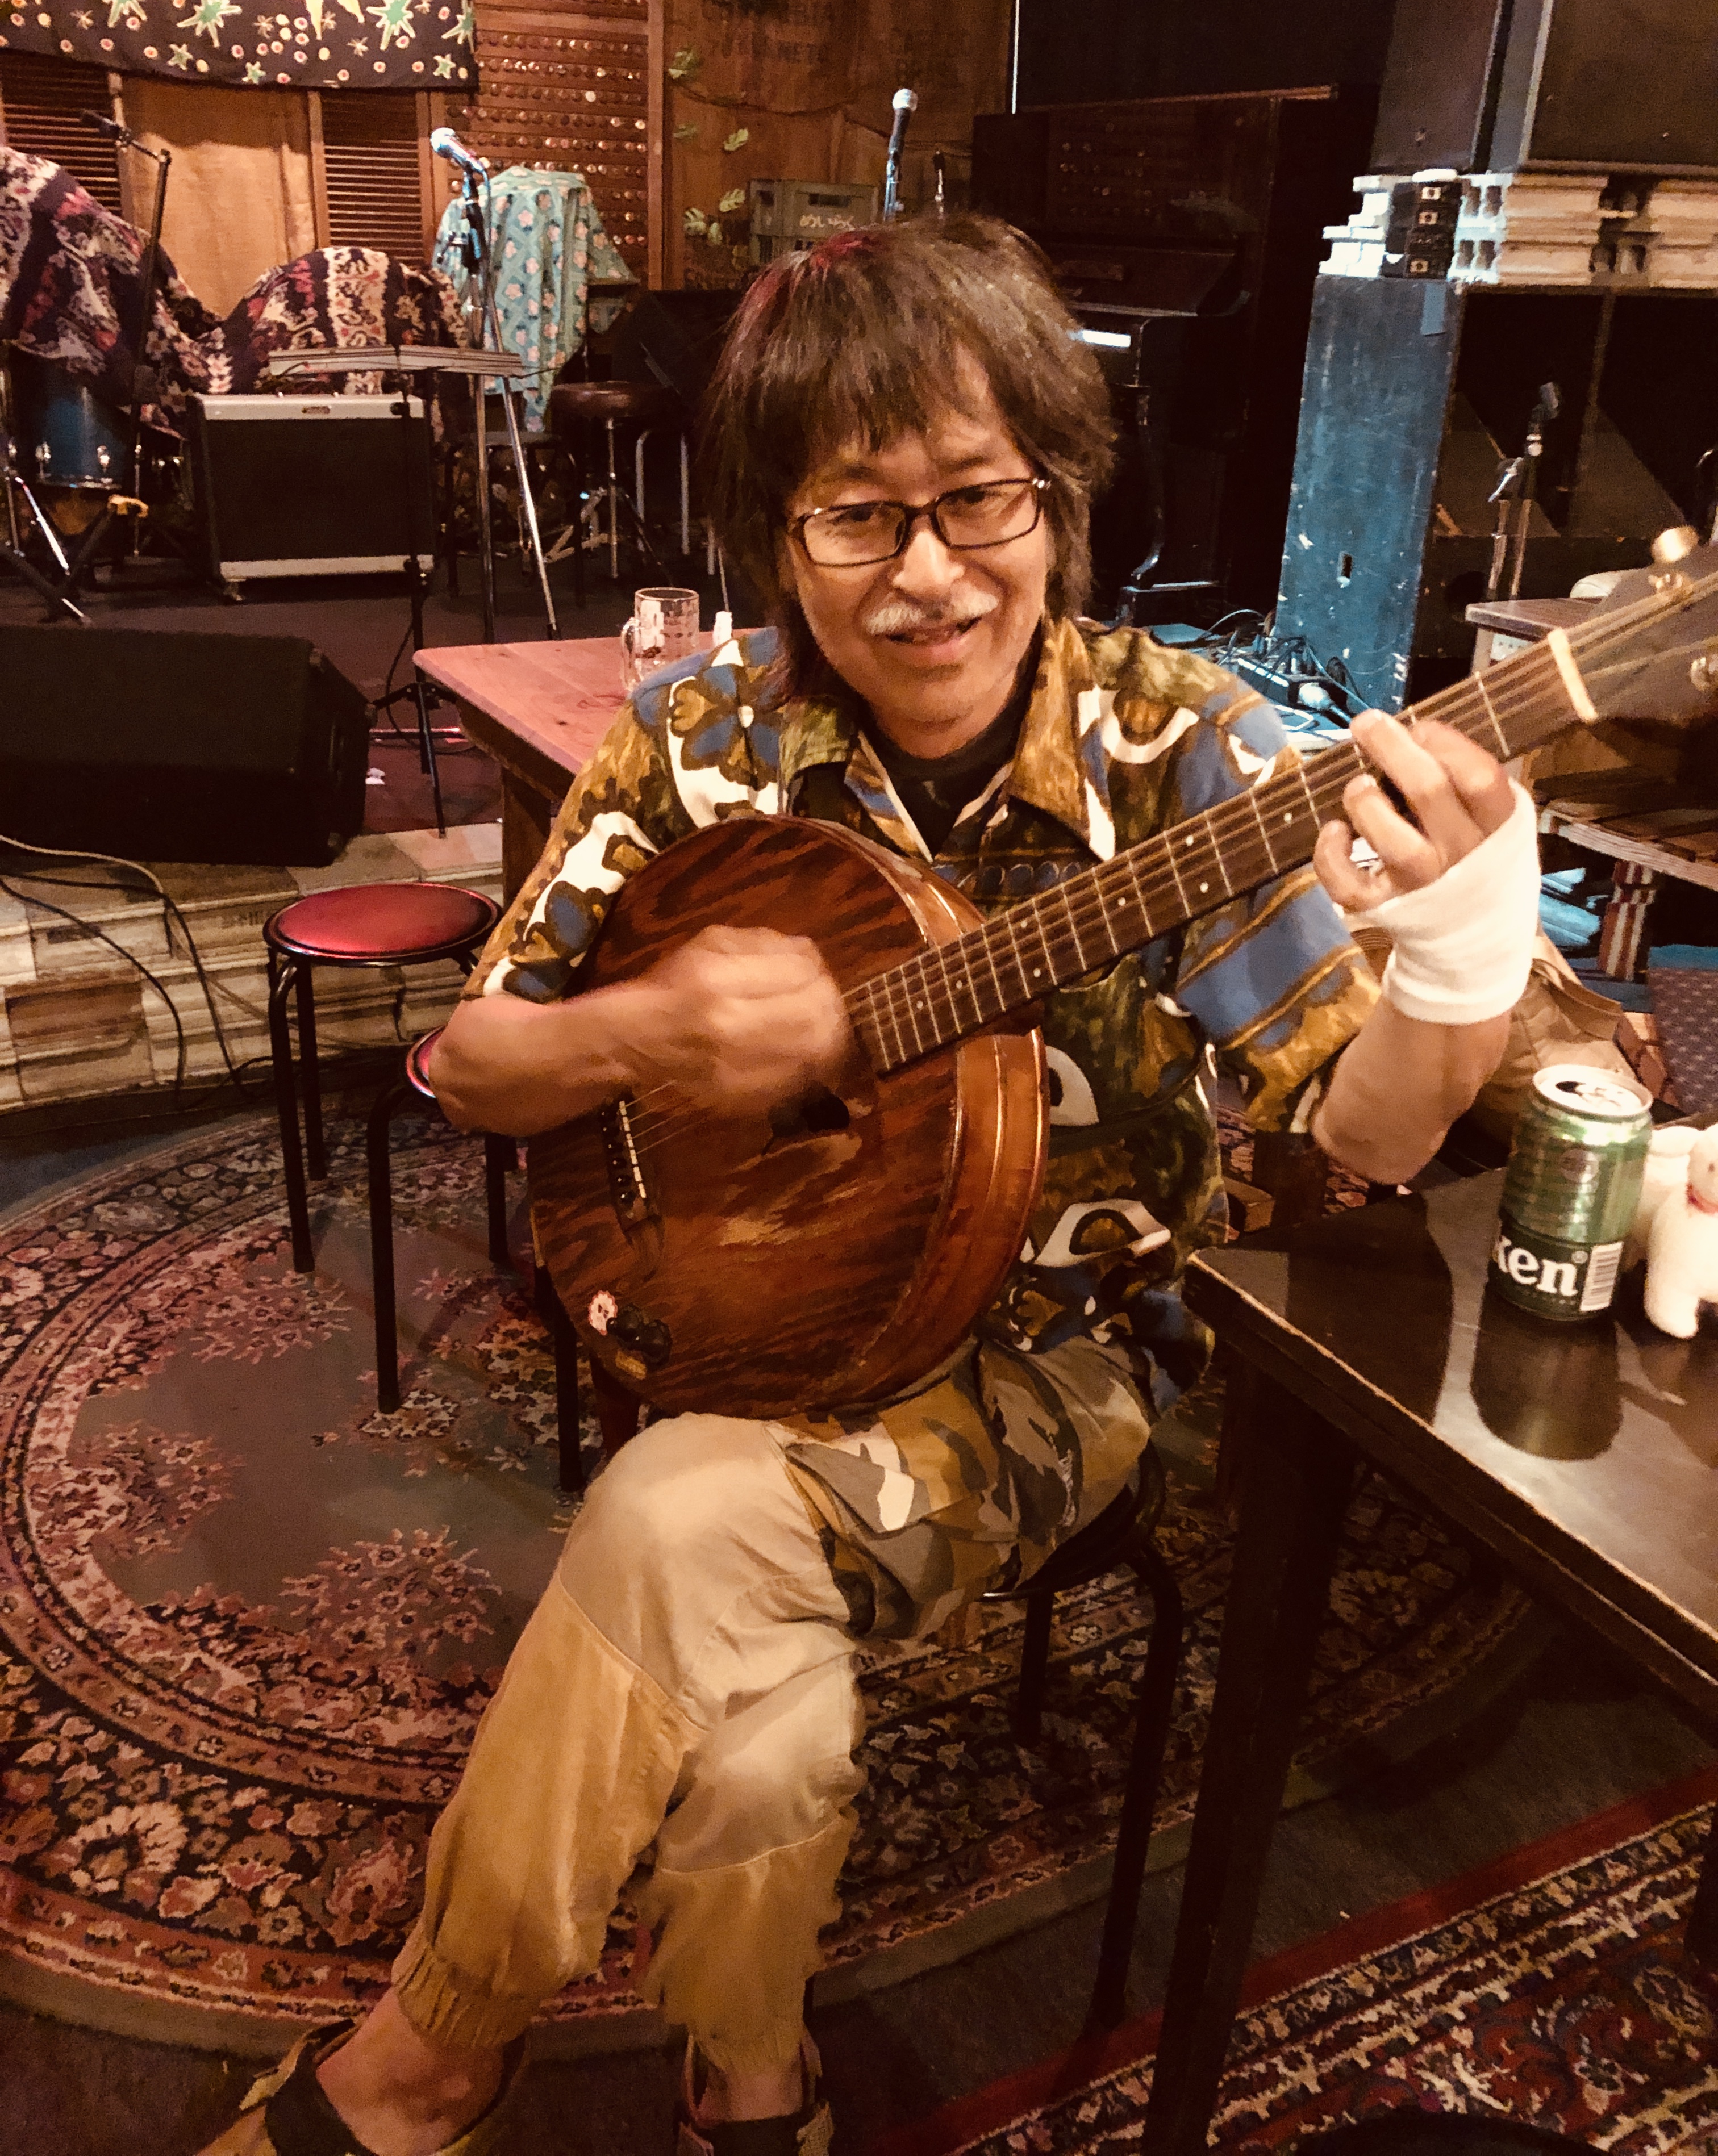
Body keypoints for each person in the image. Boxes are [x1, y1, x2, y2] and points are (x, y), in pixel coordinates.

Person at [203, 218, 1541, 2156]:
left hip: (1050, 1368)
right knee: (766, 1715)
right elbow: (478, 1064)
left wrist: (1467, 957)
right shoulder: (705, 738)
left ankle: (434, 2051)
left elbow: (1368, 1141)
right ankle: (755, 2077)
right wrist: (652, 1030)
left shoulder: (1185, 755)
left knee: (665, 1514)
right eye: (858, 516)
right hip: (755, 1305)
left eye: (981, 498)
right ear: (779, 534)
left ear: (1059, 492)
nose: (930, 576)